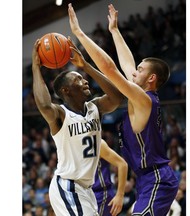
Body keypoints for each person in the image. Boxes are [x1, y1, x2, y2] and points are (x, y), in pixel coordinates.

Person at [68, 3, 179, 215]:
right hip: (146, 179)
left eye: (140, 70)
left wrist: (79, 34)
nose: (134, 72)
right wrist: (114, 31)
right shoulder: (140, 95)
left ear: (151, 78)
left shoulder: (144, 100)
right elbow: (127, 65)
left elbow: (110, 69)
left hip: (157, 179)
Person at [32, 34, 123, 215]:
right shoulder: (60, 114)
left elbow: (117, 97)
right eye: (78, 79)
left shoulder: (94, 107)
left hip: (86, 189)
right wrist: (36, 67)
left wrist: (86, 67)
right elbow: (43, 105)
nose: (85, 81)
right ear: (66, 90)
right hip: (68, 186)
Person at [93, 139, 128, 216]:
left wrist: (120, 195)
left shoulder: (98, 143)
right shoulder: (72, 144)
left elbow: (122, 164)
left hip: (101, 194)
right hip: (85, 193)